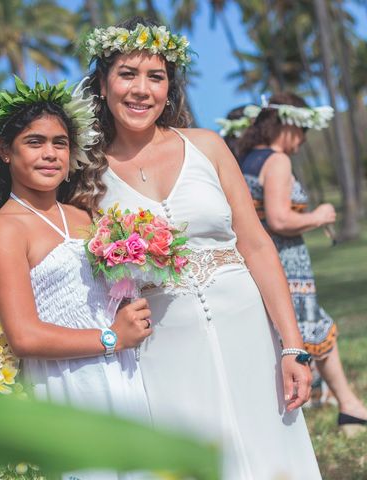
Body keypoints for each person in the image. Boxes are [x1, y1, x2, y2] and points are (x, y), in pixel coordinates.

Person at [71, 17, 321, 480]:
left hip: (246, 325)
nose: (141, 89)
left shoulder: (207, 146)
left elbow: (258, 246)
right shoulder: (84, 172)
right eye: (127, 74)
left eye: (156, 76)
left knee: (272, 453)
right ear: (102, 85)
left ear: (170, 88)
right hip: (164, 343)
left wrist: (293, 348)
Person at [0, 77, 153, 479]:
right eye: (34, 142)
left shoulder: (84, 215)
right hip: (70, 384)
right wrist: (111, 338)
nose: (50, 154)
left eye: (60, 143)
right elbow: (23, 337)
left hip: (123, 373)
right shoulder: (4, 231)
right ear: (5, 150)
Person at [237, 92, 367, 436]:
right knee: (313, 330)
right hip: (285, 264)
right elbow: (279, 219)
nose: (305, 140)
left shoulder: (247, 158)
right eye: (303, 131)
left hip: (261, 262)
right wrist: (318, 215)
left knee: (300, 333)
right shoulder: (277, 161)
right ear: (289, 125)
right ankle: (349, 407)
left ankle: (348, 405)